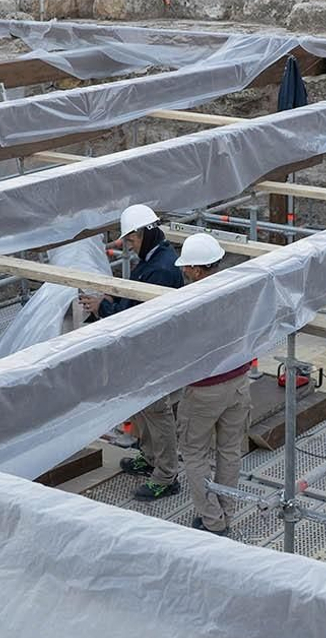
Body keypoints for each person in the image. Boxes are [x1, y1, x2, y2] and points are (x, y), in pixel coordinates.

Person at [79, 204, 184, 500]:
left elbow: (139, 316)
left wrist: (104, 307)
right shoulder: (154, 258)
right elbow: (137, 294)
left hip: (155, 353)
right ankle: (149, 457)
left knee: (157, 412)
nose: (129, 245)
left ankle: (166, 475)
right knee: (141, 406)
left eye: (132, 239)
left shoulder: (162, 268)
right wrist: (115, 295)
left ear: (144, 234)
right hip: (143, 352)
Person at [173, 233, 252, 535]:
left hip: (206, 388)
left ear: (196, 269)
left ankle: (212, 520)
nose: (184, 272)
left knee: (194, 453)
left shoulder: (191, 300)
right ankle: (226, 514)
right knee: (229, 450)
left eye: (187, 268)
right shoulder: (236, 289)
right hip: (239, 381)